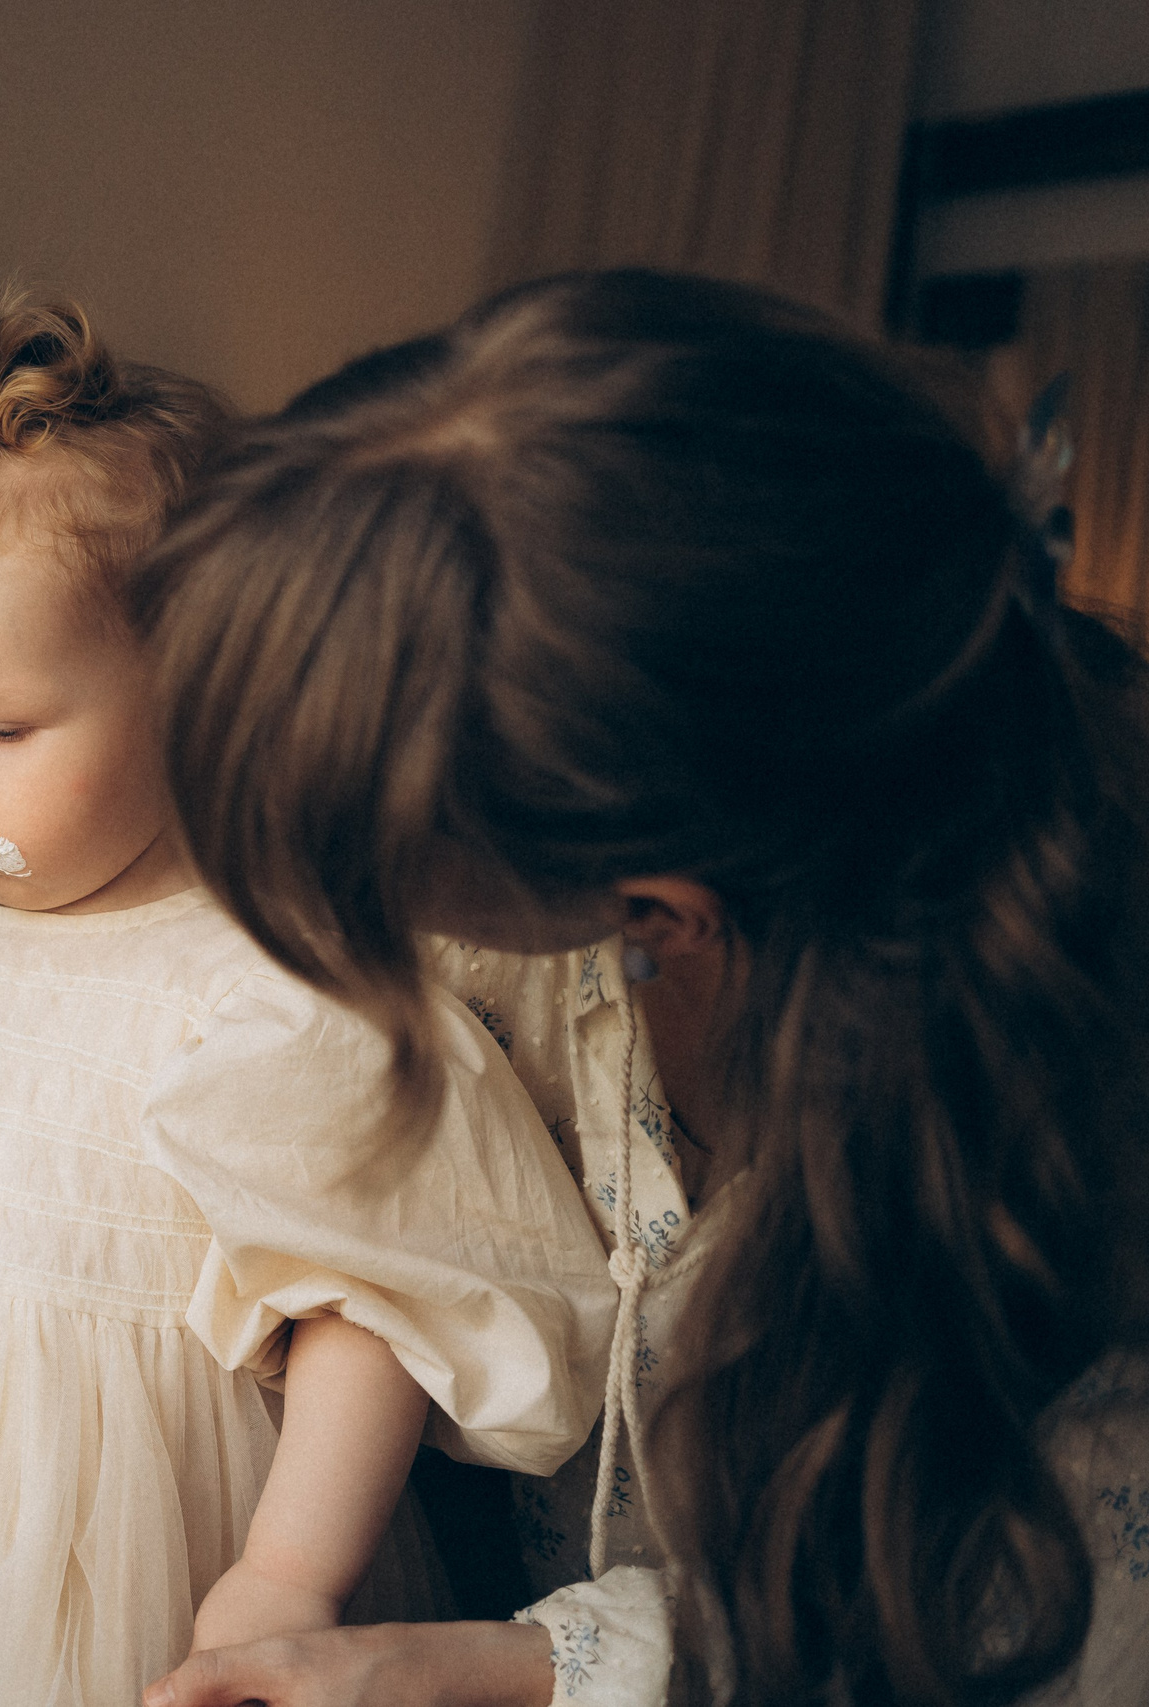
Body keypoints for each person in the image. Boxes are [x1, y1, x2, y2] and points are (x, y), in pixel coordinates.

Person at [139, 270, 1149, 1706]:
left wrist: (522, 1670)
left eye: (373, 879)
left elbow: (988, 1615)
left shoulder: (1057, 1127)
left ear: (657, 913)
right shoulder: (575, 910)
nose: (353, 931)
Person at [0, 297, 617, 1705]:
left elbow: (374, 1308)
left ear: (199, 698)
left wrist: (290, 1572)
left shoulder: (275, 989)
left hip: (133, 1558)